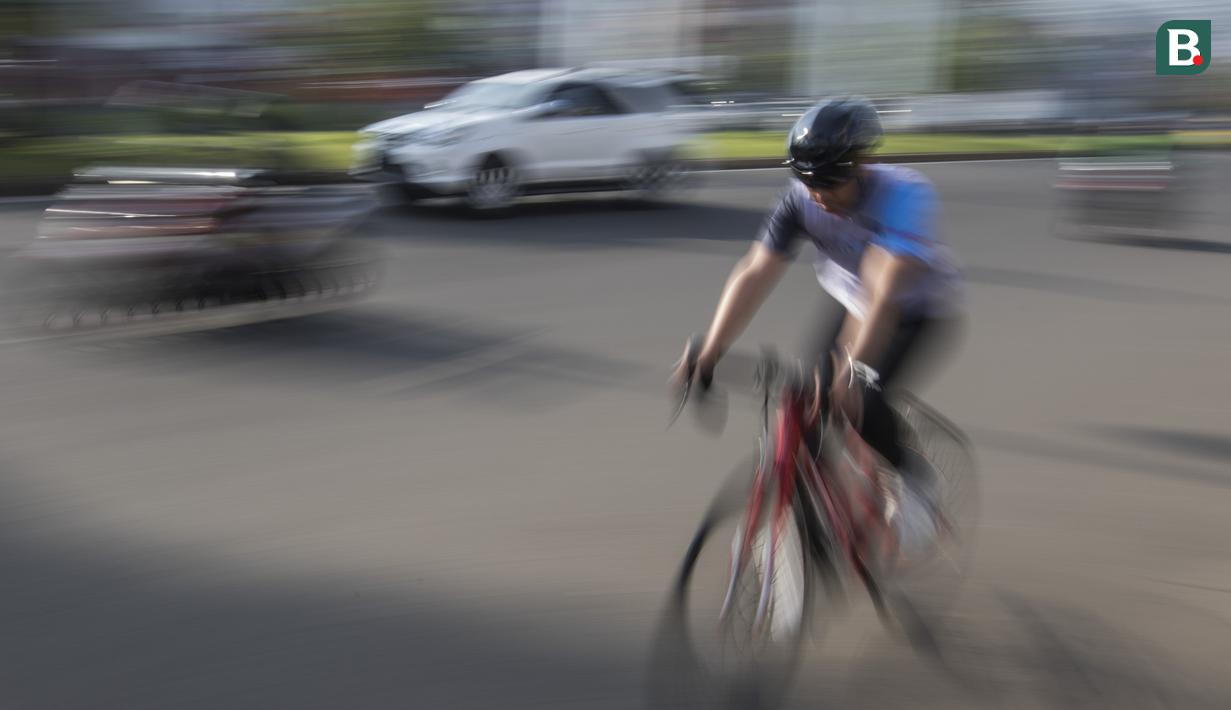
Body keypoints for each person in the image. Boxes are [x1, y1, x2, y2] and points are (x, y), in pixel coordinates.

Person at [673, 97, 963, 471]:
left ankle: (915, 482)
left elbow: (884, 292)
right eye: (808, 182)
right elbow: (756, 271)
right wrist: (711, 349)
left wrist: (854, 369)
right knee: (803, 407)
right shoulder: (799, 200)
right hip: (855, 299)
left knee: (861, 403)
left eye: (829, 183)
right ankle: (804, 514)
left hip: (915, 309)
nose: (819, 196)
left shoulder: (905, 195)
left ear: (860, 165)